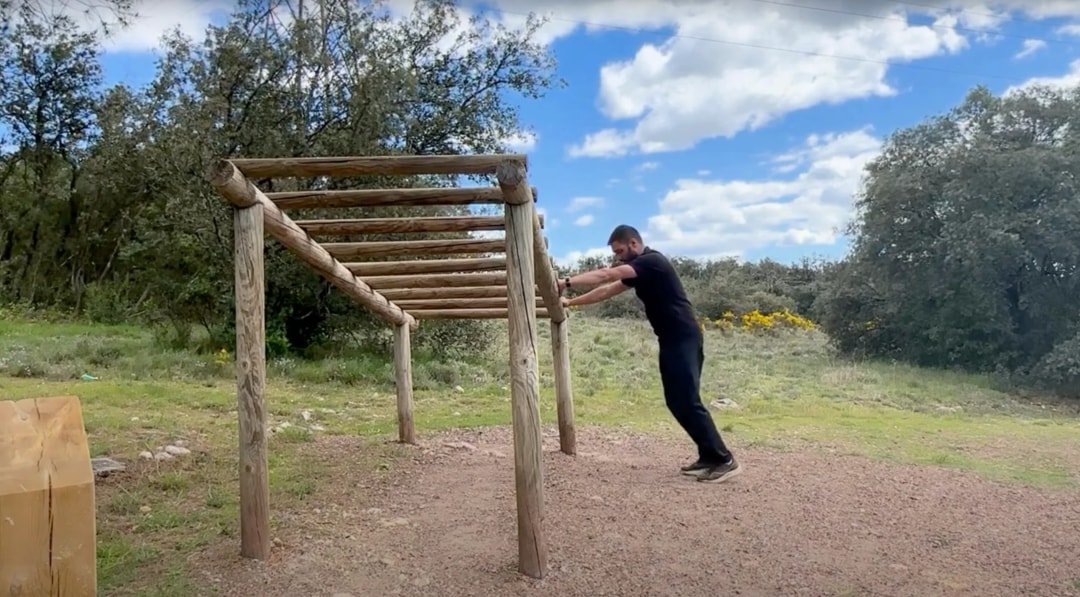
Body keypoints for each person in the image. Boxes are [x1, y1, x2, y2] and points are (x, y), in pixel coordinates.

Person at [556, 225, 741, 483]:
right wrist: (571, 302)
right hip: (670, 339)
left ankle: (724, 460)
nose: (619, 256)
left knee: (687, 399)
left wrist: (566, 282)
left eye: (620, 250)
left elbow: (605, 276)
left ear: (633, 243)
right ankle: (709, 456)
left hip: (683, 337)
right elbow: (607, 290)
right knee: (676, 401)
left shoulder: (652, 261)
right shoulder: (640, 271)